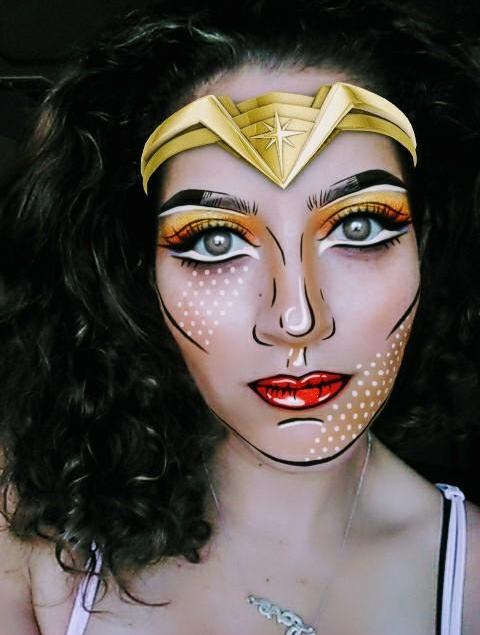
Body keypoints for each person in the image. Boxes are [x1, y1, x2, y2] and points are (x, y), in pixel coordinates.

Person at [1, 1, 479, 633]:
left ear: (427, 246)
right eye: (216, 241)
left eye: (360, 227)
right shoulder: (32, 527)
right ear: (138, 274)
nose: (297, 318)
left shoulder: (472, 579)